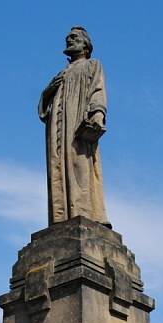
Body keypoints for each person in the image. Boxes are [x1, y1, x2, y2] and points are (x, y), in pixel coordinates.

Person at [38, 27, 109, 226]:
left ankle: (86, 215)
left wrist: (98, 114)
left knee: (80, 167)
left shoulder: (92, 65)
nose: (69, 39)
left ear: (86, 45)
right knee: (58, 169)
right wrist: (48, 91)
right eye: (68, 37)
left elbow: (98, 89)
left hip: (78, 125)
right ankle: (61, 220)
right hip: (57, 130)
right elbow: (44, 108)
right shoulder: (61, 74)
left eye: (74, 37)